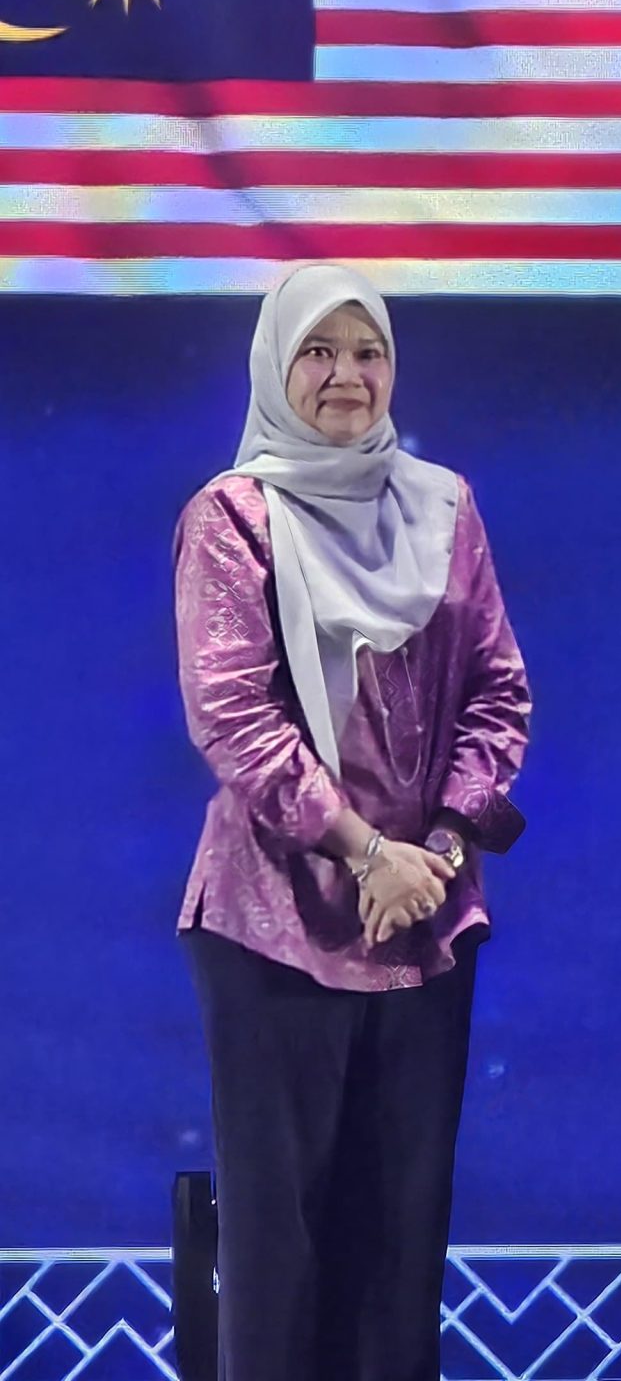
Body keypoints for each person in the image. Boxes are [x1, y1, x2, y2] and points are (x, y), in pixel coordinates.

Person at [175, 262, 531, 1381]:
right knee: (280, 1247)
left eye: (367, 351)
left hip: (424, 917)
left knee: (400, 1245)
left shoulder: (444, 506)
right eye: (318, 352)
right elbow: (232, 715)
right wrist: (366, 852)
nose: (346, 375)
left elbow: (498, 692)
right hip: (274, 923)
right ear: (276, 369)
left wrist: (439, 851)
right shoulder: (233, 517)